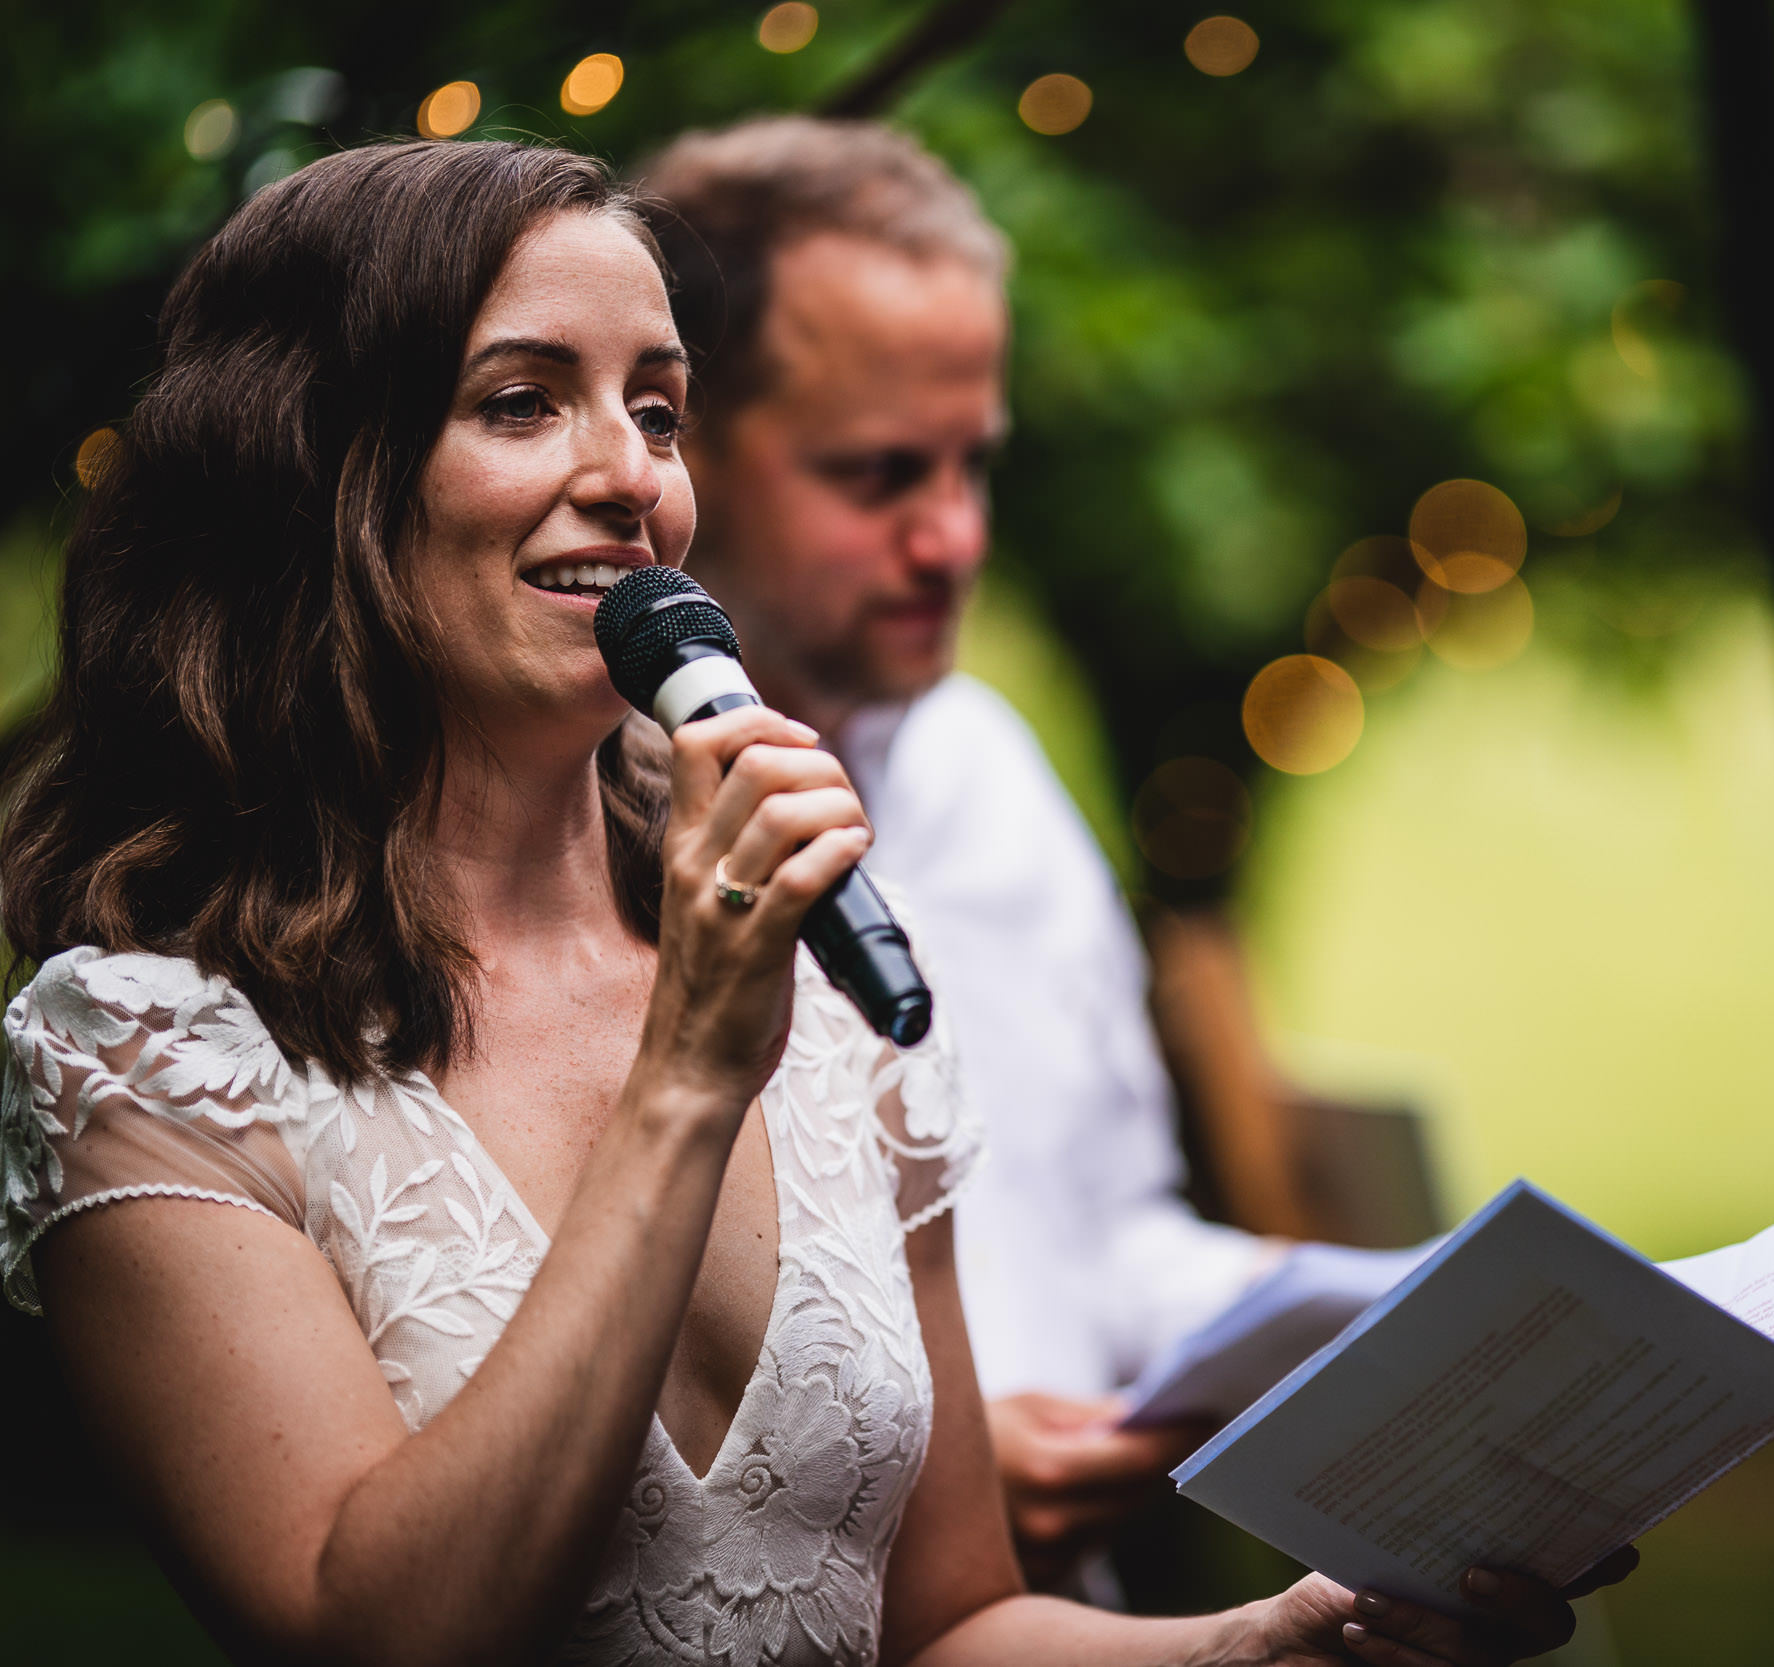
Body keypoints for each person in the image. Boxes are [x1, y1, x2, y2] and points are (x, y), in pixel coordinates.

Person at [0, 137, 1626, 1666]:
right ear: (312, 479)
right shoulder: (146, 1052)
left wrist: (1254, 1644)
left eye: (658, 409)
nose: (627, 475)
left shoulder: (832, 959)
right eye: (520, 403)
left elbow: (946, 1624)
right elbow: (375, 1627)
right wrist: (692, 1070)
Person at [636, 115, 1305, 1596]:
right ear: (678, 447)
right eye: (878, 475)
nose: (952, 540)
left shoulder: (986, 765)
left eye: (972, 465)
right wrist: (918, 1482)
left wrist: (1365, 1315)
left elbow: (1106, 1230)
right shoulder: (575, 845)